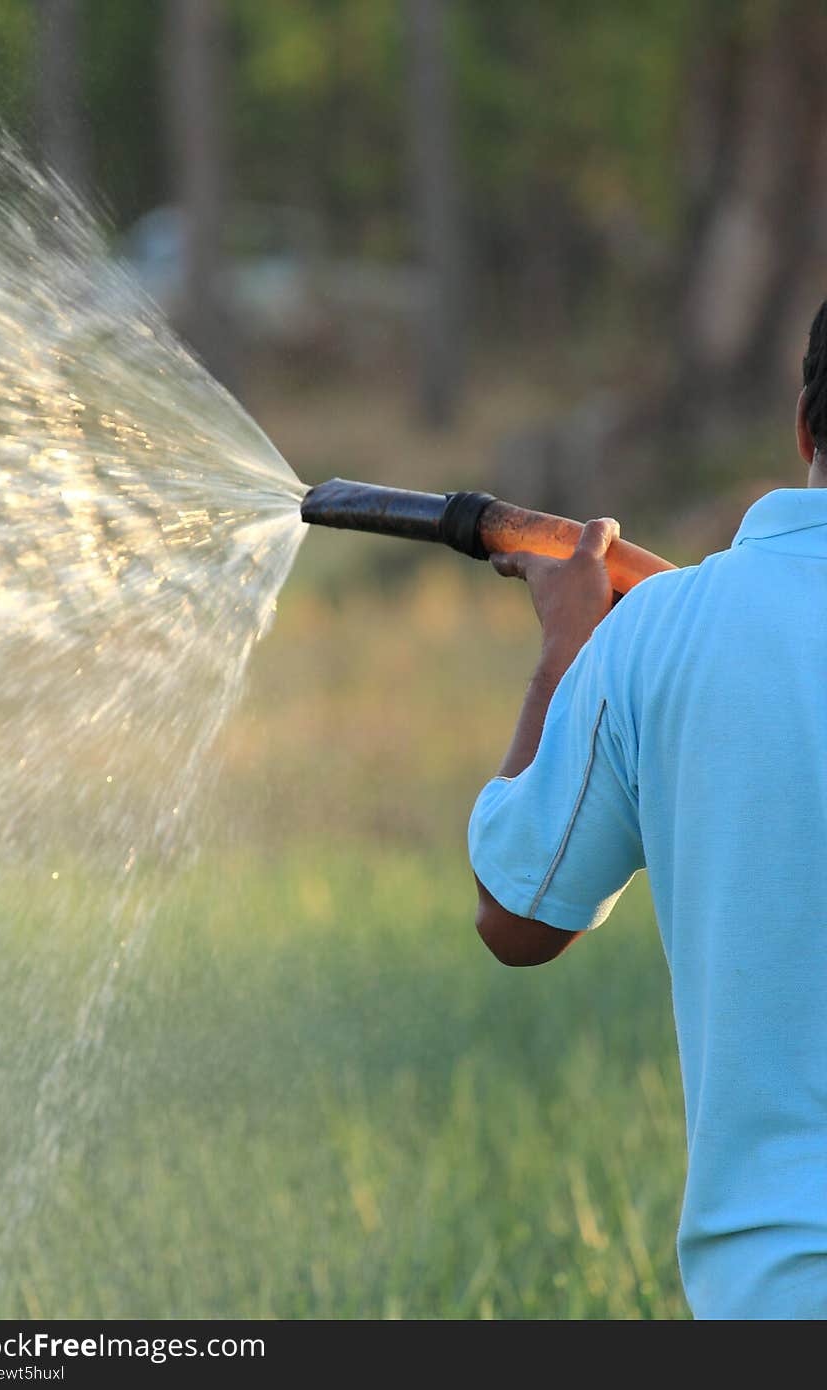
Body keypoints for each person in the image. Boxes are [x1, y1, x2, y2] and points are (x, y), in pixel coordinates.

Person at [468, 303, 827, 1320]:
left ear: (803, 425)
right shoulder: (669, 627)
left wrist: (570, 649)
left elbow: (517, 913)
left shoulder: (662, 635)